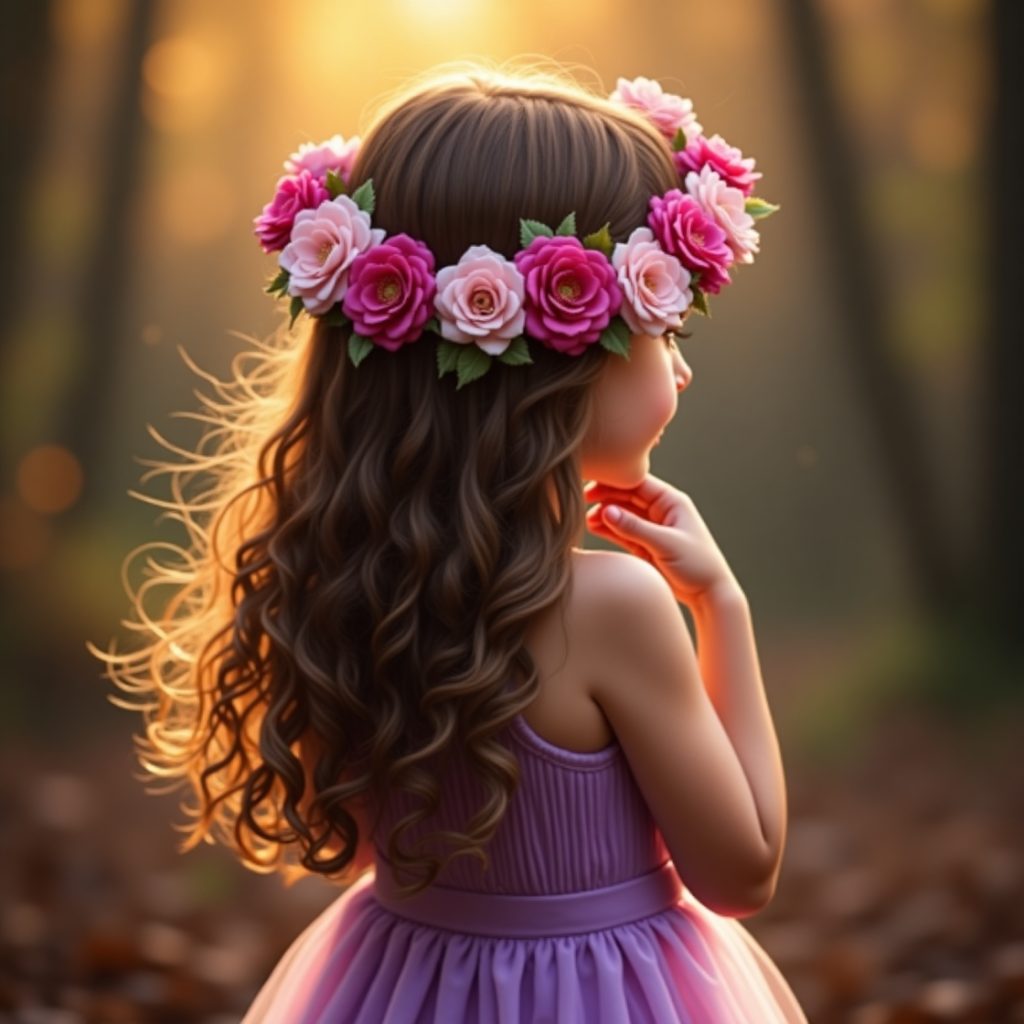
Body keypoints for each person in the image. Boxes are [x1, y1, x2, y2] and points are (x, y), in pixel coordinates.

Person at [92, 58, 805, 1022]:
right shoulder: (615, 608)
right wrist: (723, 606)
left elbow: (355, 838)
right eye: (662, 327)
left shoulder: (350, 578)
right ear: (558, 360)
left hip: (397, 986)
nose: (681, 368)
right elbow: (743, 870)